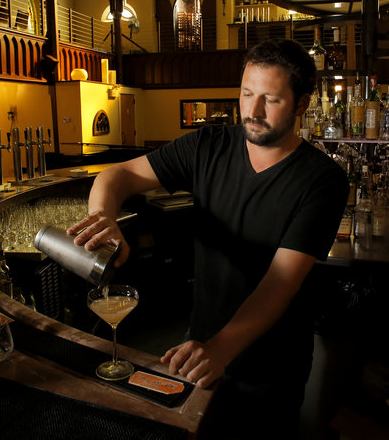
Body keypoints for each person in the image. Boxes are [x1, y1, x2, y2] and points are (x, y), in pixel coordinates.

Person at [68, 39, 348, 438]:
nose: (252, 111)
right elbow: (118, 175)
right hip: (199, 345)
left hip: (271, 366)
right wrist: (103, 217)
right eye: (246, 94)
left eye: (271, 100)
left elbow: (280, 283)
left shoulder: (323, 181)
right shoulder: (208, 145)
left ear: (302, 105)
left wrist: (221, 348)